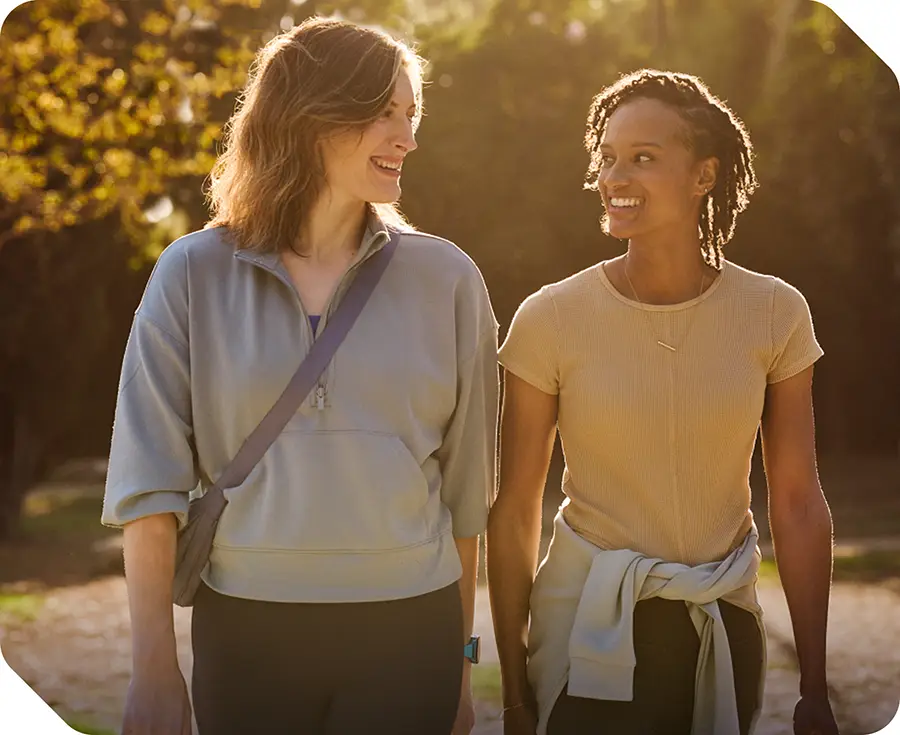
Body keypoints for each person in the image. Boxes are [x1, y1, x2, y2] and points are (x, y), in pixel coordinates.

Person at [101, 16, 499, 735]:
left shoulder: (449, 279)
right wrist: (154, 672)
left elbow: (467, 501)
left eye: (411, 115)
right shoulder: (190, 274)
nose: (407, 137)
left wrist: (463, 668)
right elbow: (147, 485)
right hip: (247, 634)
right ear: (312, 116)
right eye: (384, 112)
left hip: (413, 636)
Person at [487, 69, 838, 735]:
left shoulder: (774, 312)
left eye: (643, 158)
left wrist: (815, 687)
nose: (616, 177)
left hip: (721, 625)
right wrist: (511, 690)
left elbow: (796, 500)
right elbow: (514, 511)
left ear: (704, 176)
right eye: (608, 158)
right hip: (585, 629)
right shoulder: (548, 318)